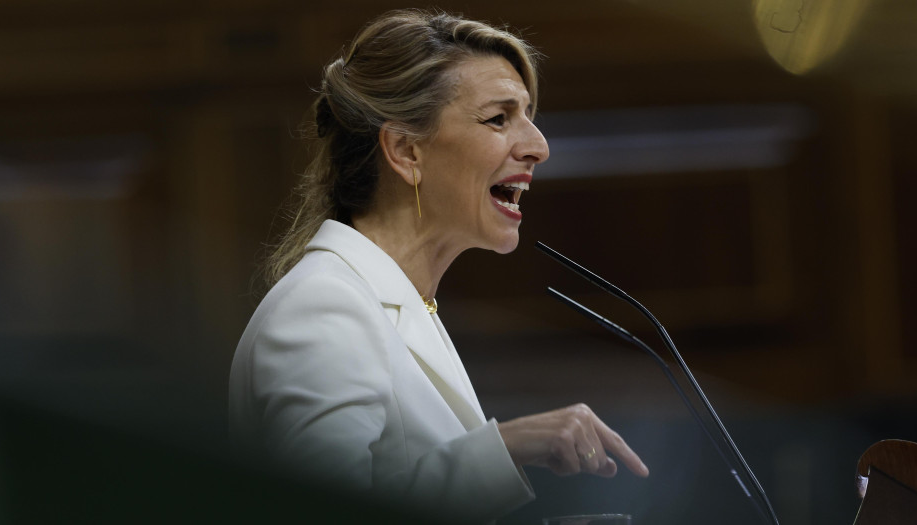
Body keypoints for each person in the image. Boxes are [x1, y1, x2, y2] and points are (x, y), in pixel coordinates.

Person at [228, 9, 649, 522]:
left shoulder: (399, 304)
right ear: (406, 151)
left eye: (529, 116)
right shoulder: (324, 307)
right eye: (499, 118)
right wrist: (507, 446)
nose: (538, 146)